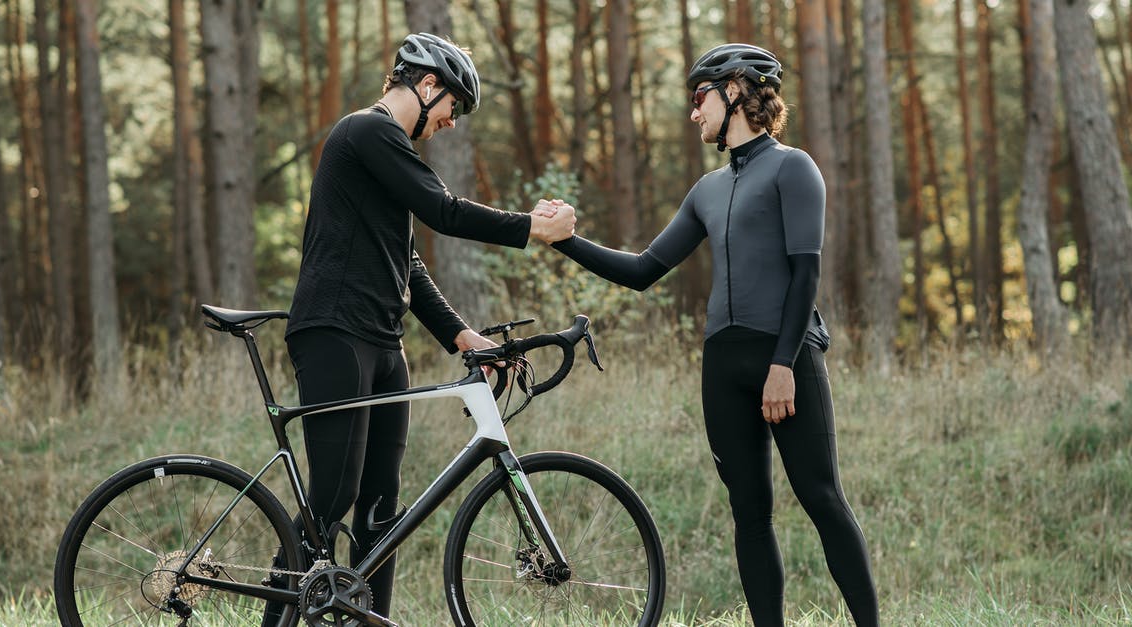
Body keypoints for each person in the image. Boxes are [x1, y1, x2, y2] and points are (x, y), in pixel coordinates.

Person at [536, 43, 878, 626]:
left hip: (784, 357)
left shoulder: (794, 167)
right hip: (722, 366)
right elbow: (644, 270)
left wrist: (782, 365)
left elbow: (806, 273)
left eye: (700, 98)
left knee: (822, 499)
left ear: (737, 90)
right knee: (749, 512)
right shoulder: (707, 189)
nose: (693, 113)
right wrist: (563, 241)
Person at [270, 32, 575, 623]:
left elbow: (407, 263)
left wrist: (465, 337)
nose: (452, 123)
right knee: (331, 500)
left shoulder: (388, 154)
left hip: (383, 342)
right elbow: (445, 211)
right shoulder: (368, 130)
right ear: (427, 85)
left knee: (382, 509)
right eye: (453, 107)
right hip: (334, 331)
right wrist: (533, 229)